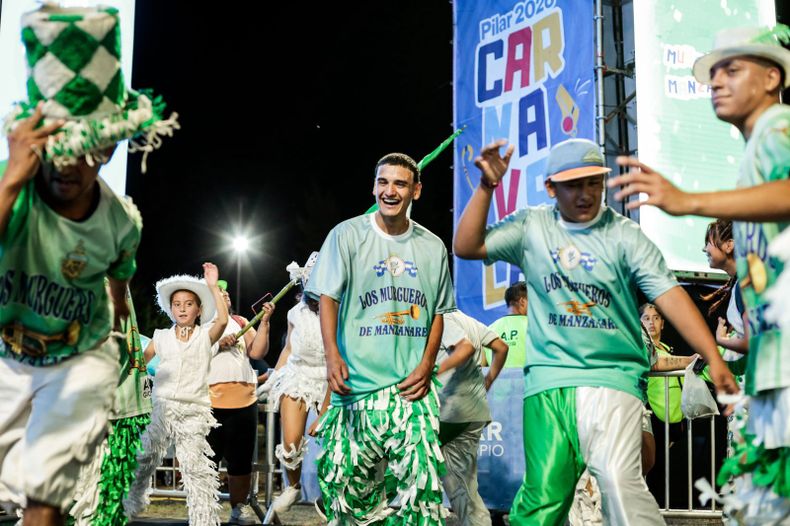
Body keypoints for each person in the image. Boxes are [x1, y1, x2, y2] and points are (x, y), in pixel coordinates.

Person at [454, 137, 738, 525]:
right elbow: (467, 245)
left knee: (621, 486)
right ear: (551, 187)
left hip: (611, 381)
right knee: (543, 501)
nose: (585, 193)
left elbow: (670, 295)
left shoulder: (625, 236)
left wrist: (715, 357)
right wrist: (487, 187)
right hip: (548, 386)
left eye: (594, 182)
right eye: (573, 185)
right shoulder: (531, 227)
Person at [0, 5, 175, 525]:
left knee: (46, 495)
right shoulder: (15, 194)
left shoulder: (121, 220)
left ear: (107, 148)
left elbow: (121, 268)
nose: (69, 165)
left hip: (77, 358)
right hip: (8, 353)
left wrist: (120, 308)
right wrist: (12, 177)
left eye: (86, 150)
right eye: (58, 149)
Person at [609, 26, 790, 520]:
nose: (716, 82)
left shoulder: (778, 129)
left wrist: (688, 202)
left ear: (772, 77)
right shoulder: (758, 148)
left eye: (732, 69)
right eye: (713, 74)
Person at [305, 152, 456, 525]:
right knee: (346, 489)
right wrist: (332, 356)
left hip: (412, 389)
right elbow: (328, 298)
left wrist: (425, 364)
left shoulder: (433, 246)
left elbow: (437, 313)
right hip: (355, 385)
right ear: (374, 186)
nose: (390, 191)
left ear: (416, 191)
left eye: (400, 183)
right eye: (383, 182)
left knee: (419, 493)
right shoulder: (346, 234)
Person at [124, 263, 228, 526]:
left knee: (194, 467)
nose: (182, 308)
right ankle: (130, 502)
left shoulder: (206, 337)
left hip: (194, 410)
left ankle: (203, 520)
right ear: (170, 309)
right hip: (163, 405)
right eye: (177, 304)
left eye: (188, 303)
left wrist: (213, 286)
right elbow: (138, 365)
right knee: (146, 455)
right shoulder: (160, 337)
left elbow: (224, 320)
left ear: (199, 310)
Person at [255, 254, 328, 515]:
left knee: (334, 443)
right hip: (299, 373)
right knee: (291, 443)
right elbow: (288, 347)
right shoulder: (294, 312)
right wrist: (276, 374)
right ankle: (293, 487)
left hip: (330, 378)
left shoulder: (340, 310)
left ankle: (330, 495)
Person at [207, 281, 274, 525]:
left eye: (225, 293)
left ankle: (238, 509)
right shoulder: (202, 325)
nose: (224, 295)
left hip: (244, 401)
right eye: (218, 293)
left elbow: (257, 353)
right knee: (207, 461)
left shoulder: (242, 322)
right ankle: (206, 509)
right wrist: (216, 344)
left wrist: (264, 322)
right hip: (209, 402)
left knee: (240, 464)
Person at [436, 309, 508, 526]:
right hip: (472, 411)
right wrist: (489, 380)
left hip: (451, 413)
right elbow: (501, 347)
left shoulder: (443, 319)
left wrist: (431, 371)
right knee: (461, 487)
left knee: (427, 477)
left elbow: (465, 347)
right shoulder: (467, 318)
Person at [640, 304, 695, 509]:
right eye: (646, 318)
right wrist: (690, 360)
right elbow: (656, 363)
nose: (651, 323)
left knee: (666, 473)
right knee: (651, 470)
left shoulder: (666, 349)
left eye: (656, 318)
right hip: (653, 418)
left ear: (663, 323)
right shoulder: (642, 348)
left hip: (674, 422)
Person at [486, 281, 527, 369]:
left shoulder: (489, 329)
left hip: (496, 382)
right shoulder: (535, 327)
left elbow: (481, 366)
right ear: (522, 301)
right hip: (529, 382)